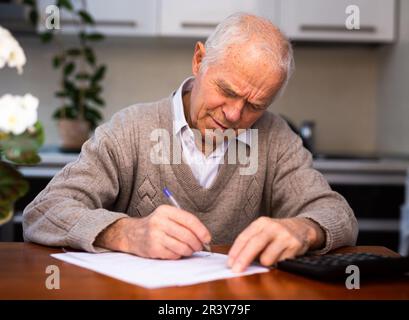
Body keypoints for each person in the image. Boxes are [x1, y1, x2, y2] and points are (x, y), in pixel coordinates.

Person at [23, 13, 358, 273]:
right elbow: (43, 213)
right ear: (199, 61)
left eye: (254, 106)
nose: (233, 114)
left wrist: (303, 229)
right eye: (227, 91)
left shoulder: (276, 137)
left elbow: (338, 215)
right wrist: (125, 232)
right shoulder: (130, 128)